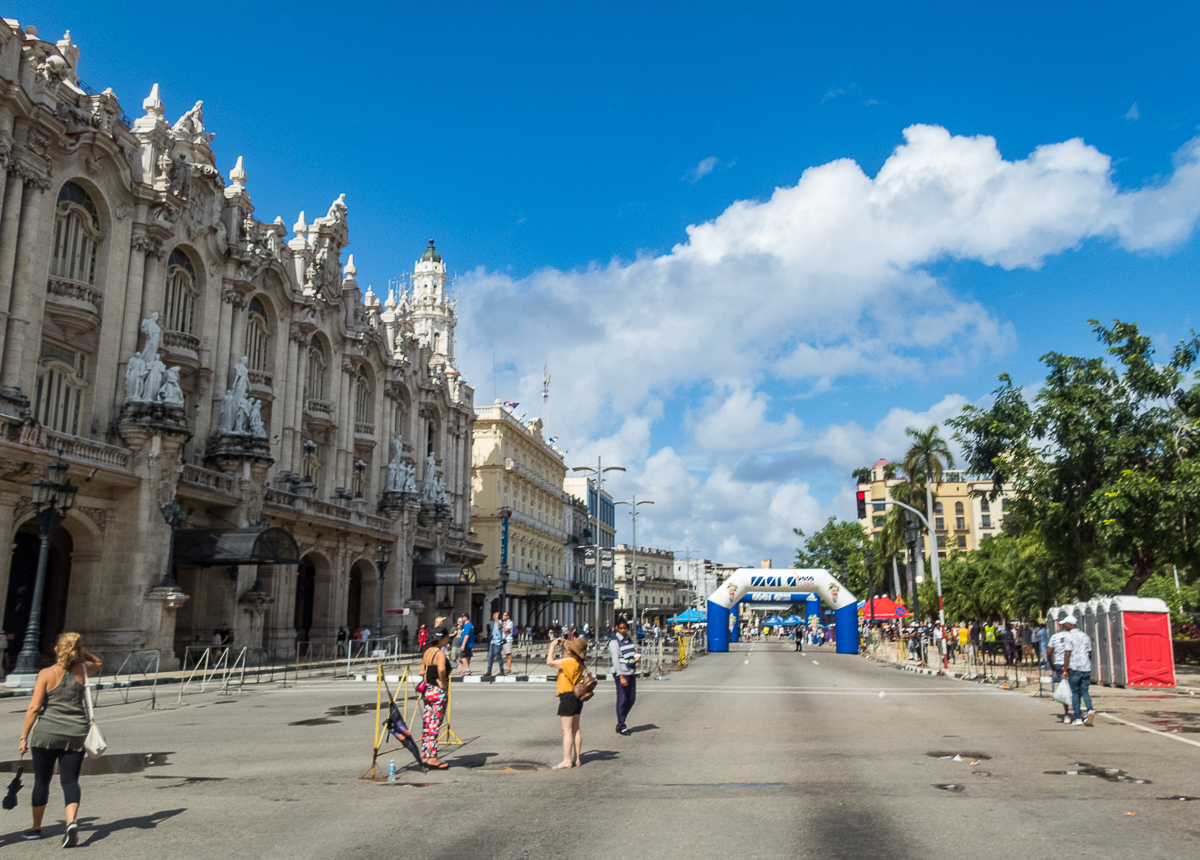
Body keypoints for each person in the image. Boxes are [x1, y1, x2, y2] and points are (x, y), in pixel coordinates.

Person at [18, 632, 102, 846]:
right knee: (70, 780)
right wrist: (84, 654)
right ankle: (71, 822)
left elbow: (35, 707)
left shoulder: (46, 673)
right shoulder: (83, 670)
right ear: (77, 650)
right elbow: (98, 662)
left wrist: (23, 737)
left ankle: (36, 828)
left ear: (57, 649)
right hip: (76, 733)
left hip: (46, 734)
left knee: (42, 781)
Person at [546, 635, 588, 769]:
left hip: (567, 696)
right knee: (576, 729)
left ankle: (566, 760)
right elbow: (567, 657)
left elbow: (550, 662)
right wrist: (563, 647)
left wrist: (552, 646)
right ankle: (577, 758)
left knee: (567, 730)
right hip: (577, 697)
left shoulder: (569, 662)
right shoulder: (579, 662)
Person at [420, 626, 452, 769]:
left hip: (427, 690)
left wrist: (430, 678)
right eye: (447, 636)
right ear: (441, 638)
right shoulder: (439, 653)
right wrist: (443, 682)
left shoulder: (427, 652)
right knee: (435, 724)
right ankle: (433, 758)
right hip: (437, 691)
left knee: (427, 723)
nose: (448, 639)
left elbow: (421, 671)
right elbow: (441, 669)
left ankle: (426, 755)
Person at [1060, 617, 1095, 727]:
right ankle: (1090, 710)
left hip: (1074, 667)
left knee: (1075, 692)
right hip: (1086, 667)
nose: (1064, 625)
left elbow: (1067, 654)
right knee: (1085, 691)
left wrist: (1065, 669)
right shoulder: (1085, 636)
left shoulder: (1068, 637)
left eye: (1066, 623)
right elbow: (1090, 653)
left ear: (1070, 625)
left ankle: (1077, 717)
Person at [609, 618, 640, 736]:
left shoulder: (629, 640)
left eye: (625, 628)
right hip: (621, 673)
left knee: (631, 699)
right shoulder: (614, 642)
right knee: (622, 699)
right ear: (616, 628)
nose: (623, 630)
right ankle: (621, 725)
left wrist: (635, 659)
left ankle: (621, 721)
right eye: (621, 628)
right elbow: (615, 661)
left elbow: (631, 654)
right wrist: (620, 675)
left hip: (631, 672)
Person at [1046, 620, 1072, 722]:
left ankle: (1066, 714)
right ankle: (1078, 713)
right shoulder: (1072, 636)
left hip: (1059, 664)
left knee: (1065, 687)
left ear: (1061, 626)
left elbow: (1049, 652)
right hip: (1072, 664)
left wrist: (1051, 664)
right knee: (1074, 687)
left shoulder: (1054, 637)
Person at [486, 611, 504, 676]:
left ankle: (502, 670)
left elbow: (499, 627)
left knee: (498, 656)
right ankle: (489, 670)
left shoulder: (500, 622)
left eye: (494, 616)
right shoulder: (494, 623)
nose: (493, 617)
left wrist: (497, 619)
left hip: (497, 642)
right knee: (490, 656)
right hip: (493, 642)